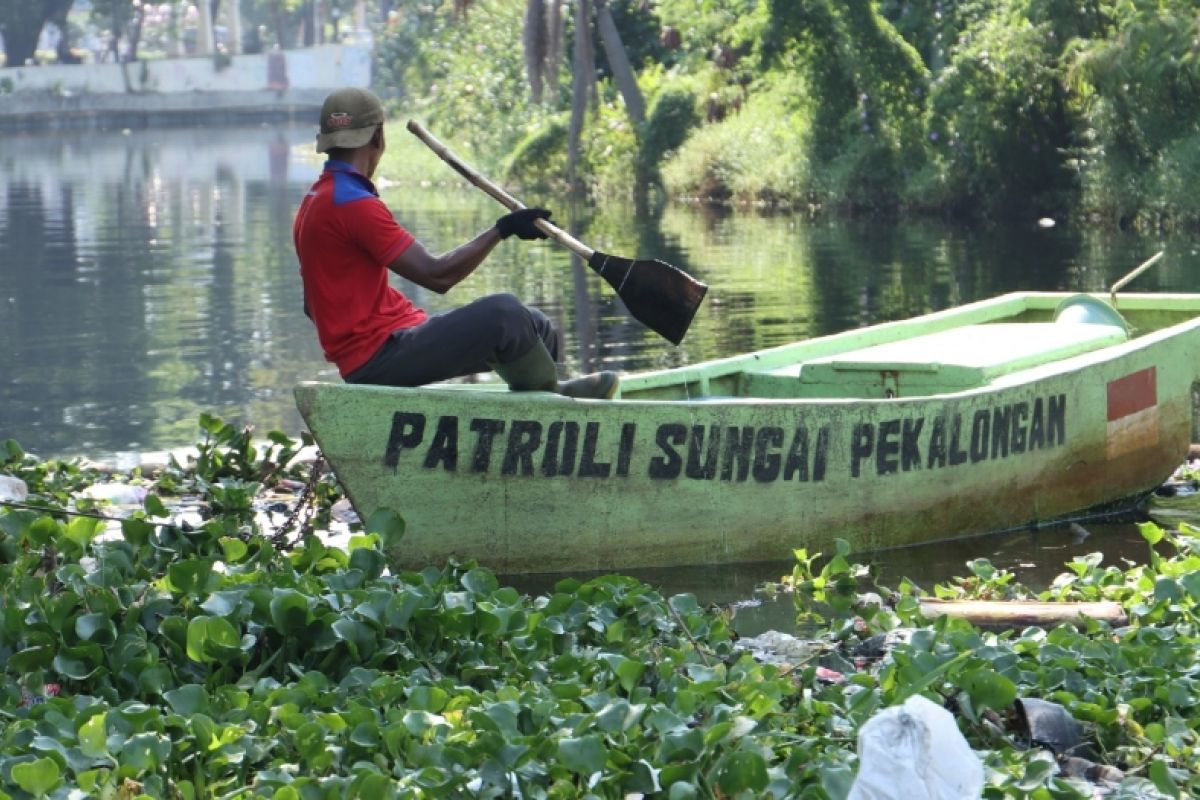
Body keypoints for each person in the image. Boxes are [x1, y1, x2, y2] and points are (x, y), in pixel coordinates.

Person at [293, 87, 618, 399]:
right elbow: (438, 276)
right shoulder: (353, 204)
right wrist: (502, 229)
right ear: (378, 136)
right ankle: (557, 400)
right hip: (377, 359)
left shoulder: (314, 202)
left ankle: (553, 395)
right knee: (505, 314)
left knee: (537, 326)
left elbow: (313, 305)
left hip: (384, 346)